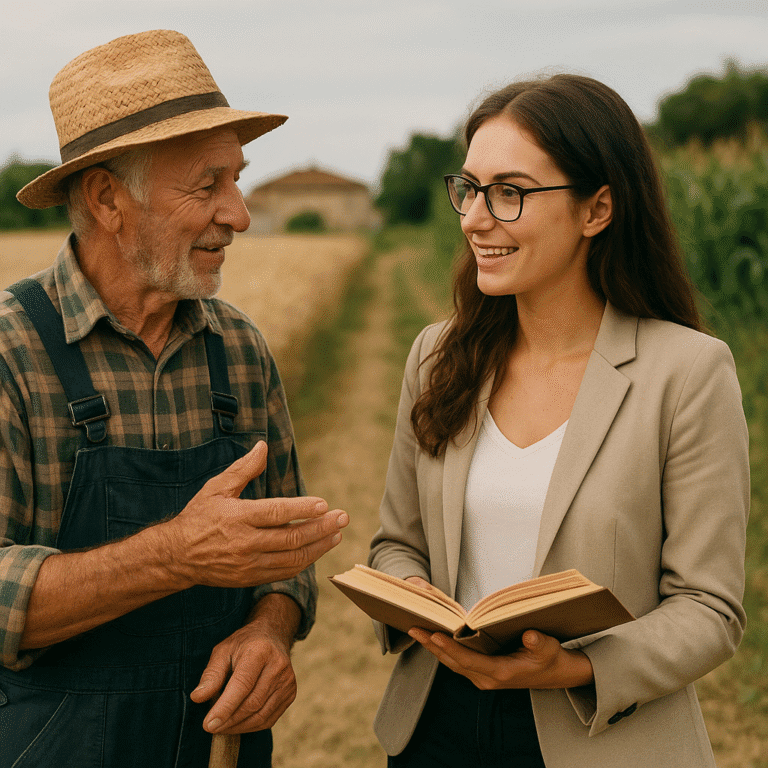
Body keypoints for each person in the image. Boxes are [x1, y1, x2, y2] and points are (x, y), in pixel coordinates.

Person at [368, 73, 749, 768]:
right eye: (471, 188)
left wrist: (576, 668)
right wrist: (416, 602)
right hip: (436, 730)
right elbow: (396, 544)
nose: (476, 218)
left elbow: (709, 608)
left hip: (603, 735)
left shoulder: (687, 372)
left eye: (510, 193)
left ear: (597, 209)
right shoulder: (438, 355)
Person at [0, 30, 349, 767]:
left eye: (238, 179)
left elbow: (283, 561)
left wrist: (270, 631)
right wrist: (177, 555)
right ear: (107, 199)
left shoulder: (240, 350)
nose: (240, 214)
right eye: (207, 184)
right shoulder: (12, 353)